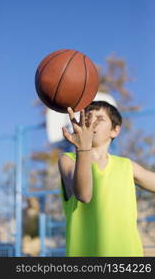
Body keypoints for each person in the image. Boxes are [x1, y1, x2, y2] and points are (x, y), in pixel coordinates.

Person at [58, 101, 155, 257]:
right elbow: (84, 195)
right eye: (88, 116)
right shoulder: (68, 160)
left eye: (100, 118)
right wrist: (83, 148)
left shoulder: (127, 166)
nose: (91, 121)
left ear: (115, 130)